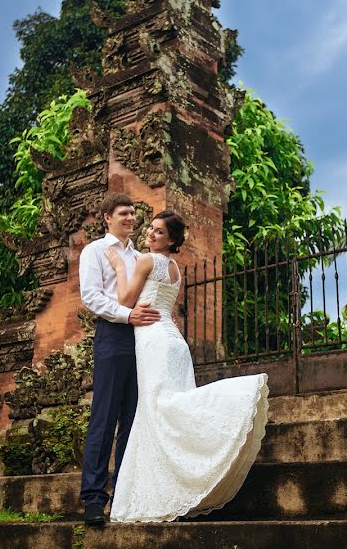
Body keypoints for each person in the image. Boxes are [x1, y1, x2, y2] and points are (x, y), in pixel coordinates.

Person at [104, 210, 269, 522]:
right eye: (151, 229)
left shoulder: (147, 261)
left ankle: (236, 401)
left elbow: (125, 300)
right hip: (174, 343)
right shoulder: (174, 268)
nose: (151, 235)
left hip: (154, 341)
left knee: (159, 409)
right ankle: (169, 487)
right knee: (165, 408)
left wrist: (117, 267)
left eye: (159, 233)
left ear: (172, 240)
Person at [78, 192, 161, 526]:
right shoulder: (95, 251)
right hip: (112, 336)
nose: (130, 218)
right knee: (104, 416)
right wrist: (126, 315)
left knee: (132, 417)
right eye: (123, 213)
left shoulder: (140, 256)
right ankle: (94, 500)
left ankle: (124, 495)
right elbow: (91, 297)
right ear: (106, 217)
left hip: (141, 338)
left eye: (133, 213)